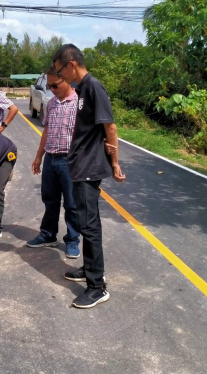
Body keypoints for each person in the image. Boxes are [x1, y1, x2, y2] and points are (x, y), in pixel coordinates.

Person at [53, 44, 126, 309]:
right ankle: (89, 268)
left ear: (71, 64)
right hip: (80, 166)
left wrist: (115, 163)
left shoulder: (94, 86)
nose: (60, 76)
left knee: (89, 225)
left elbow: (111, 126)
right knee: (85, 222)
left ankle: (97, 286)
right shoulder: (82, 90)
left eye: (60, 70)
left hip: (88, 169)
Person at [28, 65, 81, 258]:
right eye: (49, 86)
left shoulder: (79, 104)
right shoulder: (51, 104)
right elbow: (47, 131)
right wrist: (39, 156)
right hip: (51, 158)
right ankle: (48, 235)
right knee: (50, 200)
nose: (51, 89)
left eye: (55, 85)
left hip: (70, 161)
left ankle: (73, 240)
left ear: (67, 80)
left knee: (72, 203)